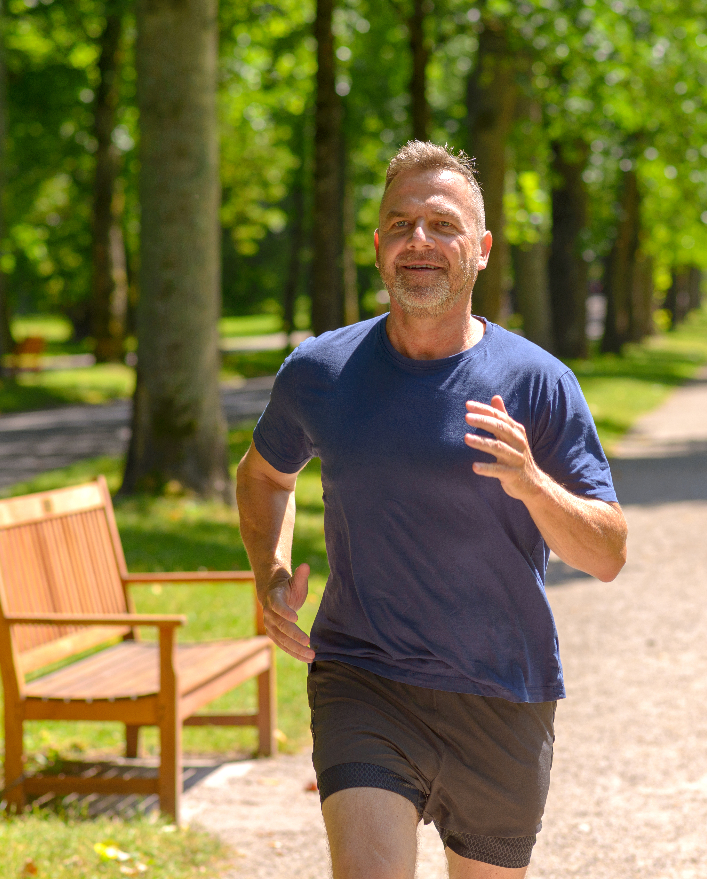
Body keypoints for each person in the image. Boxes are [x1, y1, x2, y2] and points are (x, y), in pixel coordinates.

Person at [235, 141, 627, 879]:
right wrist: (270, 571)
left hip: (503, 692)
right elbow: (262, 476)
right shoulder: (321, 372)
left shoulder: (538, 383)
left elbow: (607, 552)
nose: (420, 241)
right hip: (364, 677)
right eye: (401, 223)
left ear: (480, 251)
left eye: (443, 225)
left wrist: (533, 483)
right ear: (379, 245)